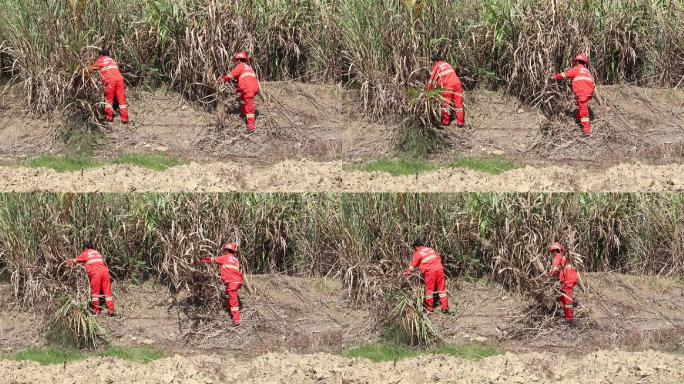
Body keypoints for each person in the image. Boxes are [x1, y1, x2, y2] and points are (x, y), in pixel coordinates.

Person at [551, 54, 596, 137]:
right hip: (589, 92)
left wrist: (553, 77)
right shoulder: (587, 71)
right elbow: (592, 83)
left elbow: (564, 75)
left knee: (583, 110)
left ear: (577, 61)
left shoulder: (576, 69)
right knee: (581, 105)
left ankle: (587, 131)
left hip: (582, 92)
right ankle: (579, 118)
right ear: (584, 62)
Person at [200, 242, 244, 325]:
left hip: (232, 282)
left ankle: (236, 319)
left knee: (233, 299)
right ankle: (228, 307)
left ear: (226, 250)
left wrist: (201, 260)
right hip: (238, 281)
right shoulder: (235, 260)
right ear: (233, 251)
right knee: (228, 293)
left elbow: (211, 260)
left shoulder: (225, 258)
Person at [67, 241, 116, 316]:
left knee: (95, 293)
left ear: (85, 248)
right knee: (107, 292)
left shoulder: (86, 253)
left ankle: (96, 311)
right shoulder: (97, 252)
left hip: (96, 273)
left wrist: (69, 261)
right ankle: (111, 310)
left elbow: (76, 260)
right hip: (105, 272)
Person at [403, 239, 449, 314]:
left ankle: (429, 310)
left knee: (429, 291)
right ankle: (445, 308)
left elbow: (412, 265)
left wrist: (407, 274)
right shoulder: (430, 249)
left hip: (430, 272)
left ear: (416, 247)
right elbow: (438, 259)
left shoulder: (418, 252)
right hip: (440, 269)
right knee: (442, 289)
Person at [219, 52, 260, 133]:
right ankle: (243, 113)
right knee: (242, 99)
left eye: (236, 60)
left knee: (249, 107)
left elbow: (231, 75)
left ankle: (251, 126)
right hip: (252, 88)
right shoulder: (249, 68)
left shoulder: (240, 66)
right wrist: (238, 89)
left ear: (239, 60)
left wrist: (223, 79)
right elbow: (245, 80)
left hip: (248, 89)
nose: (235, 62)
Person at [88, 48, 129, 124]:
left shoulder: (101, 60)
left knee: (109, 100)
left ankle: (109, 117)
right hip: (120, 80)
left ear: (100, 55)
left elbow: (90, 70)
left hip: (110, 81)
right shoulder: (112, 60)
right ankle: (124, 119)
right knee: (121, 99)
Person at [427, 53, 464, 127]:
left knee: (446, 104)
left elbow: (432, 80)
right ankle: (460, 123)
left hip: (448, 85)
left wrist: (428, 91)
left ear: (435, 61)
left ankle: (446, 122)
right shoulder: (447, 64)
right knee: (458, 103)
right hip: (457, 83)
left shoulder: (437, 66)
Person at [548, 242, 578, 323]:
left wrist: (549, 276)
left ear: (555, 251)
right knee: (562, 299)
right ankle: (566, 315)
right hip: (568, 281)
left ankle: (570, 319)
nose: (552, 254)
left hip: (567, 282)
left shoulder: (558, 257)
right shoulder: (563, 257)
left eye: (552, 252)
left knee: (567, 301)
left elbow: (553, 270)